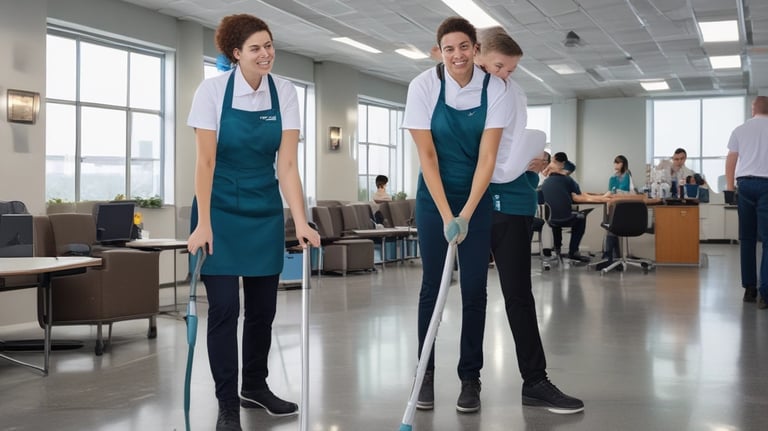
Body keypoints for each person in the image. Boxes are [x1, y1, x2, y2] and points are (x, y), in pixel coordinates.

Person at [186, 14, 320, 431]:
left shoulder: (285, 92)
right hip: (218, 211)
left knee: (263, 310)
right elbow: (205, 162)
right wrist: (203, 223)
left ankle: (255, 386)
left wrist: (301, 220)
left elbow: (288, 165)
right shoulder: (211, 92)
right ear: (236, 53)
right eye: (256, 48)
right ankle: (227, 403)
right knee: (225, 309)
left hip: (264, 211)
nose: (266, 54)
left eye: (269, 45)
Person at [402, 16, 511, 414]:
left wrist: (464, 213)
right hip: (434, 199)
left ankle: (470, 378)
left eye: (464, 46)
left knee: (475, 290)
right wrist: (447, 213)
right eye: (449, 48)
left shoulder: (495, 88)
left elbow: (488, 157)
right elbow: (427, 156)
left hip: (475, 200)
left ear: (475, 49)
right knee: (432, 287)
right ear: (439, 52)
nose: (457, 55)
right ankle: (424, 374)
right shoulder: (423, 86)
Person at [474, 27, 584, 415]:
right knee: (471, 297)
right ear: (477, 55)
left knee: (519, 295)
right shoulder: (465, 93)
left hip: (516, 202)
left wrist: (538, 159)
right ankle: (467, 381)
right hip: (478, 204)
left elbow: (514, 141)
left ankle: (535, 381)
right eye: (499, 67)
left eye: (511, 69)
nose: (505, 75)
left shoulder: (514, 92)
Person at [725, 95, 768, 308]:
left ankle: (749, 289)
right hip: (767, 186)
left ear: (753, 109)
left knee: (747, 238)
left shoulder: (740, 130)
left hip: (745, 185)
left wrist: (729, 188)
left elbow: (731, 160)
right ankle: (765, 293)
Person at [540, 152, 607, 262]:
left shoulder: (545, 183)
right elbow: (578, 194)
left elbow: (542, 199)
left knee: (556, 217)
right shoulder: (568, 180)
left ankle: (557, 249)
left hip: (551, 219)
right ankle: (573, 251)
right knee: (581, 217)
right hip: (566, 217)